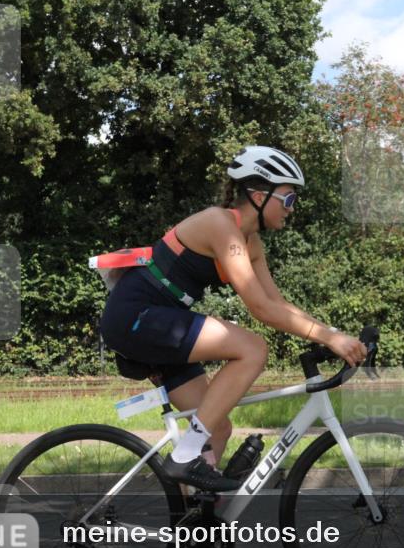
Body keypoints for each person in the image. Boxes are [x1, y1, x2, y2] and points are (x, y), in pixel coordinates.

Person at [99, 146, 368, 491]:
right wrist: (328, 338)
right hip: (136, 315)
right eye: (288, 199)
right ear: (259, 195)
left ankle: (192, 519)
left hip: (161, 322)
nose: (292, 208)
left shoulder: (251, 244)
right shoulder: (220, 224)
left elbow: (277, 303)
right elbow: (261, 309)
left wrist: (332, 333)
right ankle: (184, 456)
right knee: (252, 348)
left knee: (217, 428)